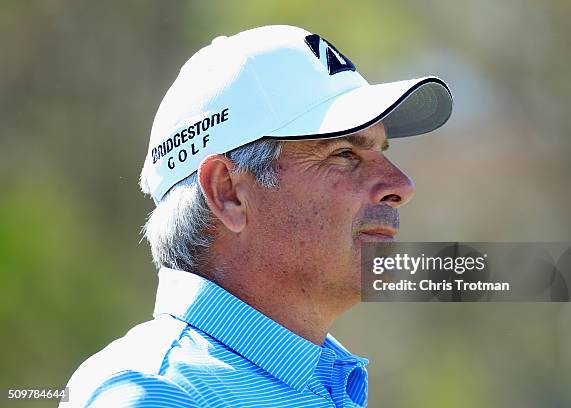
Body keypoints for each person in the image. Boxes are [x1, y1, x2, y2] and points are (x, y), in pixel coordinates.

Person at [60, 25, 452, 407]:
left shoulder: (328, 381)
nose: (401, 184)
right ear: (228, 193)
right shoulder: (157, 393)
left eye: (381, 152)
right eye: (345, 155)